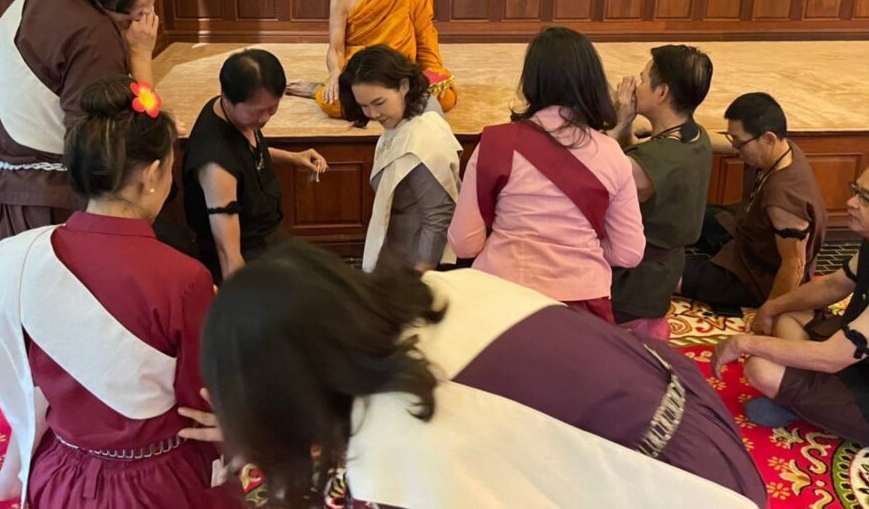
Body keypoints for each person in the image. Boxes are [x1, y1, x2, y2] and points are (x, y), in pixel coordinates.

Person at [181, 242, 766, 508]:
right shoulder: (440, 290)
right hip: (697, 424)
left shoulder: (399, 447)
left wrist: (274, 430)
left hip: (673, 489)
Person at [0, 78, 219, 508]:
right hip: (154, 478)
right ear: (153, 173)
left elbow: (15, 365)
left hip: (60, 473)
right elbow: (201, 406)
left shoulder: (17, 259)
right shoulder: (185, 279)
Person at [0, 0, 195, 253]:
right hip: (55, 214)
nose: (148, 10)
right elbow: (118, 151)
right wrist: (140, 56)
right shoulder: (92, 34)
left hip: (5, 200)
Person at [712, 153, 869, 453]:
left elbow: (833, 357)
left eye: (866, 199)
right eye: (856, 190)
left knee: (760, 368)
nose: (851, 202)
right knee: (790, 313)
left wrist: (743, 343)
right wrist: (771, 307)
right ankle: (807, 395)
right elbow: (833, 285)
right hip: (863, 359)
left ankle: (801, 401)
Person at [447, 27, 645, 322]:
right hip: (583, 304)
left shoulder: (495, 143)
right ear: (593, 81)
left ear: (530, 81)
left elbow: (464, 243)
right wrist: (579, 251)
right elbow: (629, 252)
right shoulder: (612, 154)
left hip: (500, 300)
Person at [183, 49, 327, 281]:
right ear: (227, 97)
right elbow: (229, 255)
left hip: (266, 237)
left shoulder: (229, 111)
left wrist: (293, 157)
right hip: (248, 252)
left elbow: (242, 153)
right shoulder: (215, 168)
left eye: (272, 108)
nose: (265, 118)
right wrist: (245, 297)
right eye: (257, 112)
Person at [285, 0, 457, 118]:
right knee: (332, 103)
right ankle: (321, 88)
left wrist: (434, 73)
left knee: (445, 98)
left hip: (400, 72)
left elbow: (425, 38)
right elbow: (336, 48)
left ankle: (372, 100)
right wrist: (335, 75)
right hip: (361, 74)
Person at [681, 92, 827, 311]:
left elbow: (794, 266)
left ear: (768, 139)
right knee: (690, 215)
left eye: (739, 143)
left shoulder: (784, 199)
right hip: (747, 238)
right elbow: (717, 142)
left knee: (668, 275)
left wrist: (770, 312)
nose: (735, 149)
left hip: (759, 278)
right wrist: (672, 135)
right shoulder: (777, 149)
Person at [607, 45, 715, 340]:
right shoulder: (696, 136)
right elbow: (639, 156)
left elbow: (593, 169)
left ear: (662, 92)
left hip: (633, 283)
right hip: (665, 270)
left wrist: (619, 123)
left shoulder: (650, 163)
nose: (637, 86)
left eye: (643, 79)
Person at [338, 45, 462, 272]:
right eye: (363, 106)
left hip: (415, 258)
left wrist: (421, 275)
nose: (372, 114)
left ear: (404, 86)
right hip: (398, 245)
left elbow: (438, 216)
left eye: (379, 103)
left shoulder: (425, 138)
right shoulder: (411, 109)